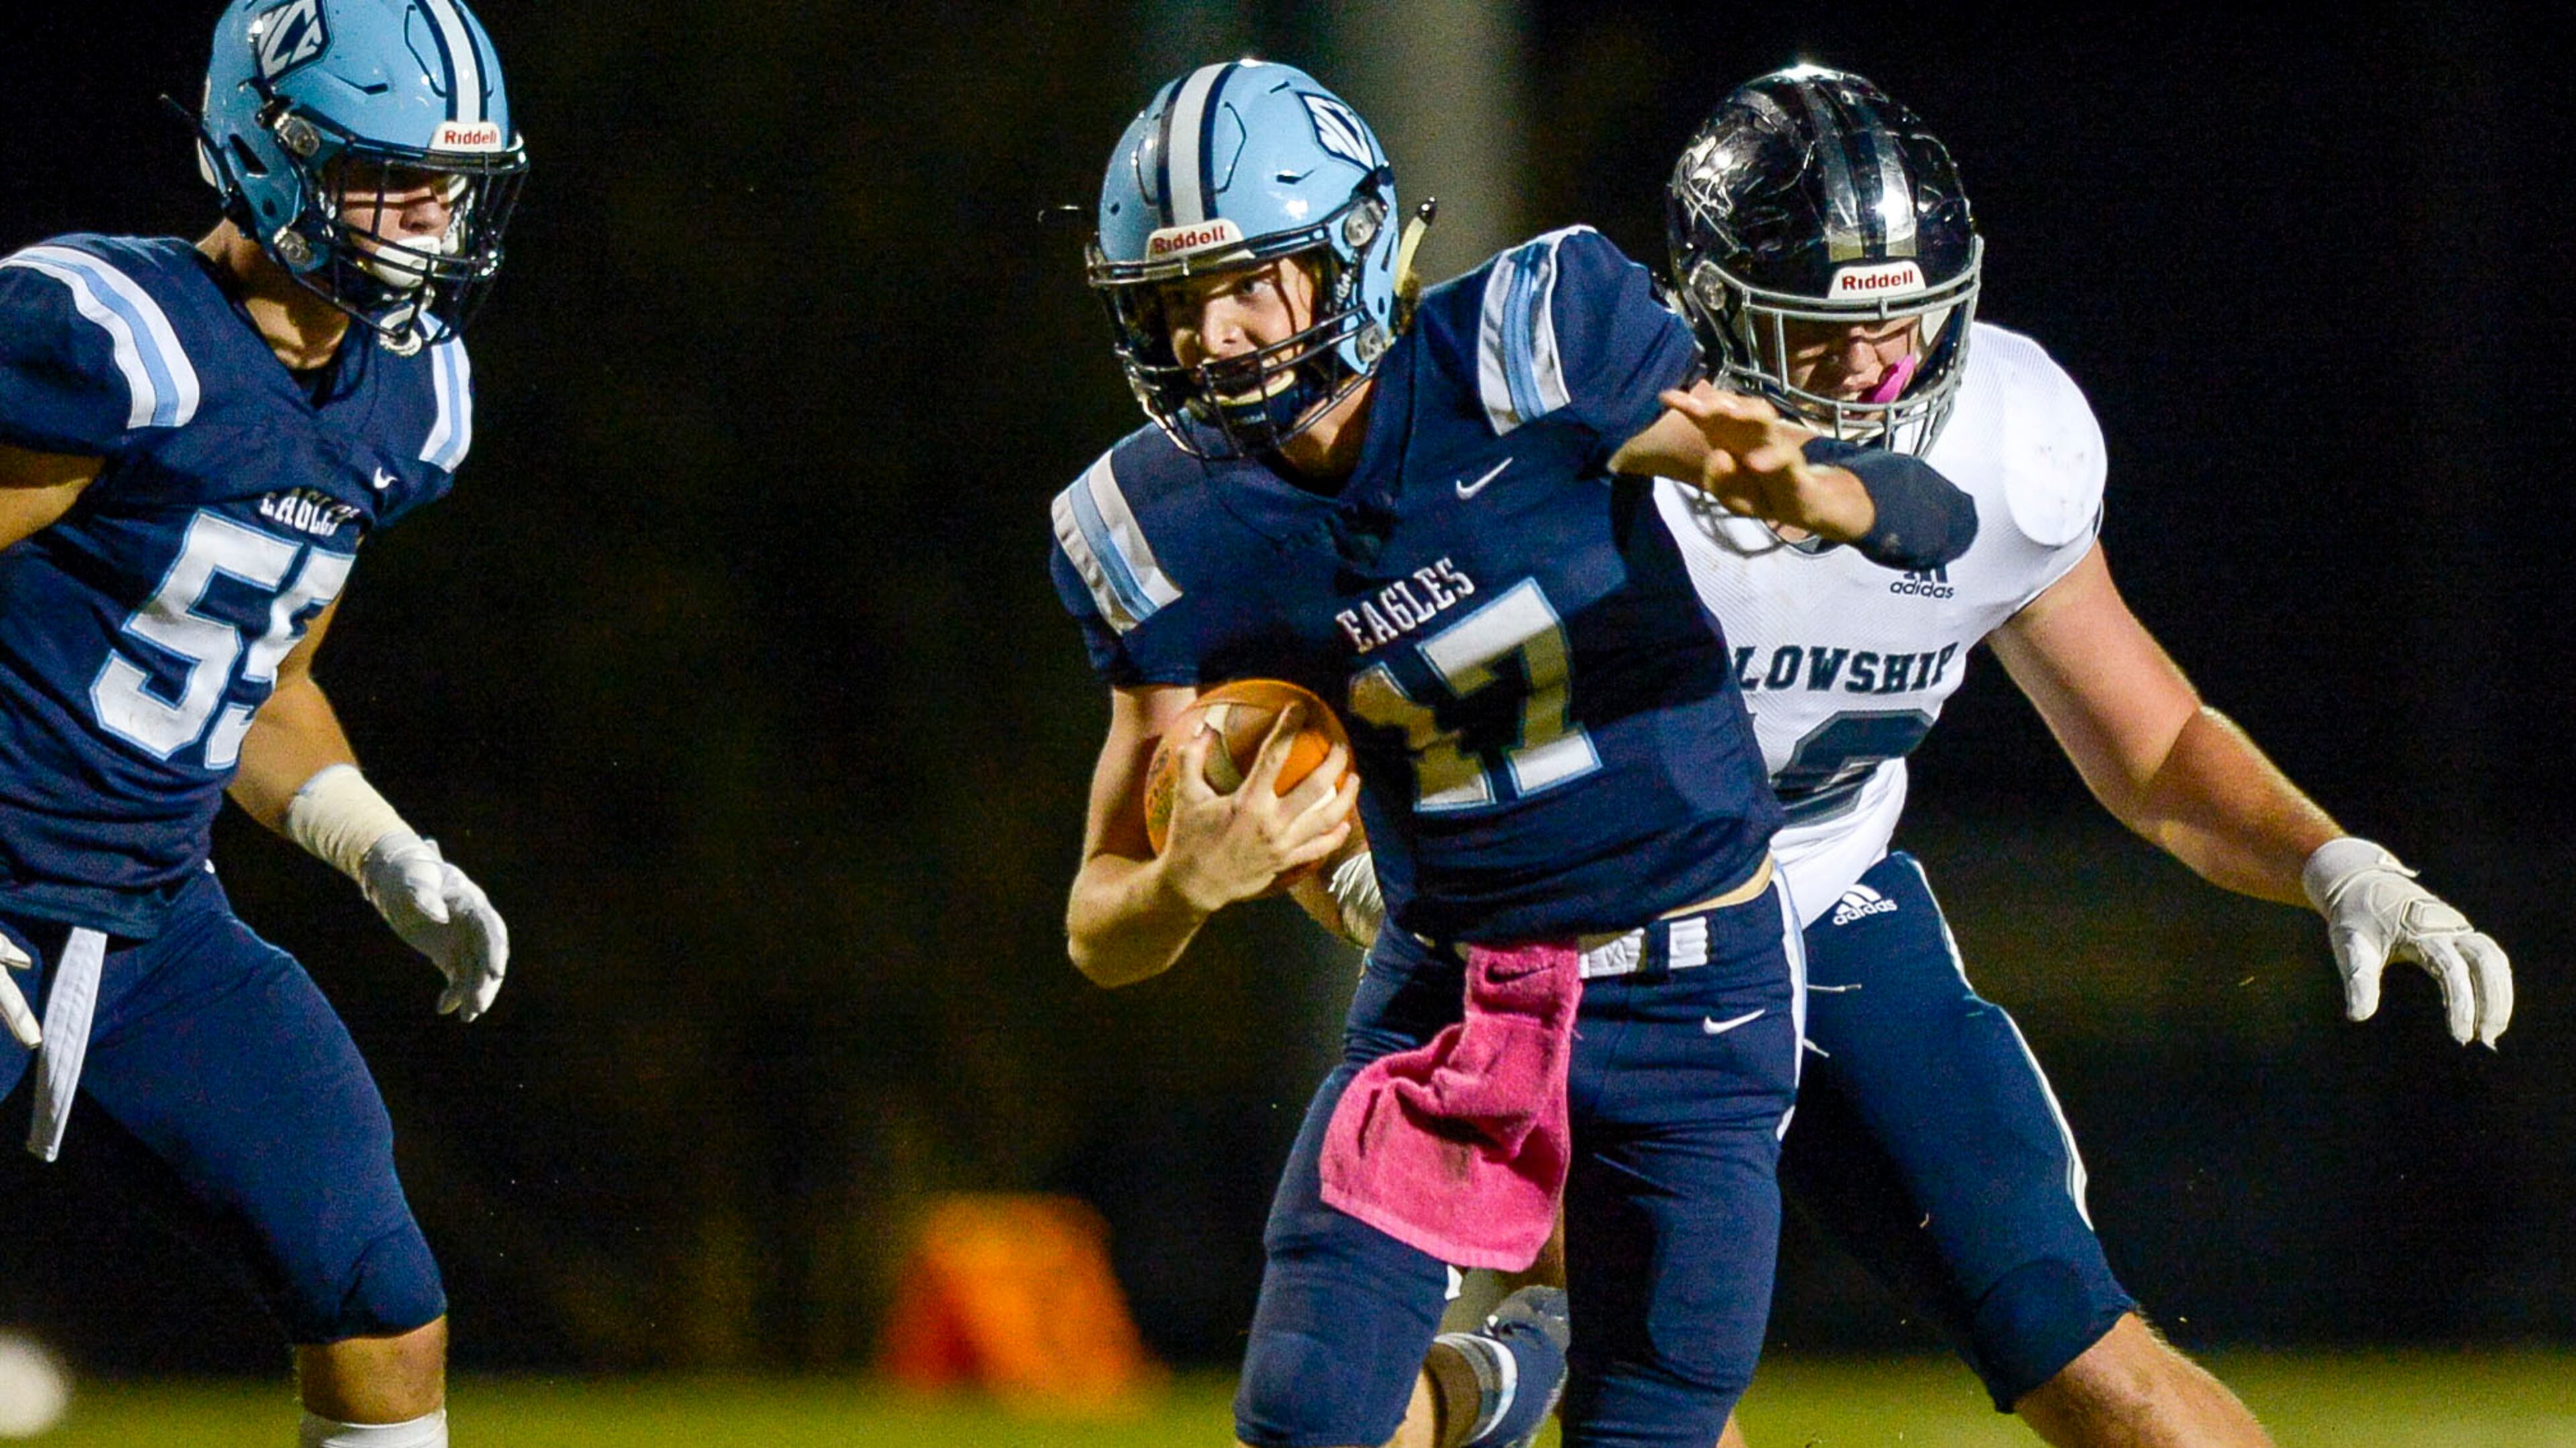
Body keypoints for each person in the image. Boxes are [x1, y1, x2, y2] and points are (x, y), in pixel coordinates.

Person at [1385, 64, 2513, 1448]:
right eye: (1822, 336)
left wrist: (2336, 862)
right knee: (1634, 1389)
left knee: (2083, 1346)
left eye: (1906, 328)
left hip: (1833, 913)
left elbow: (2152, 744)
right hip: (1603, 959)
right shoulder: (1574, 467)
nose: (1874, 371)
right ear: (1715, 314)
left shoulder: (2007, 439)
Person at [1049, 60, 1978, 1448]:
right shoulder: (1160, 525)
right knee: (1304, 1419)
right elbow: (1099, 930)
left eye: (1250, 282)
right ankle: (1509, 1369)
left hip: (1695, 998)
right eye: (1174, 304)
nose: (1213, 337)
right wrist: (1189, 879)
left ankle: (1526, 1365)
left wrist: (1814, 488)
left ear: (1353, 249)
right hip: (1453, 992)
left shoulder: (1524, 347)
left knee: (1651, 1424)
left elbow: (1936, 519)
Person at [0, 3, 526, 1444]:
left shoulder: (410, 400)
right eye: (390, 178)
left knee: (374, 1284)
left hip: (150, 920)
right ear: (269, 154)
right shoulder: (113, 340)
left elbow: (267, 681)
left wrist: (381, 853)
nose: (431, 220)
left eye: (452, 185)